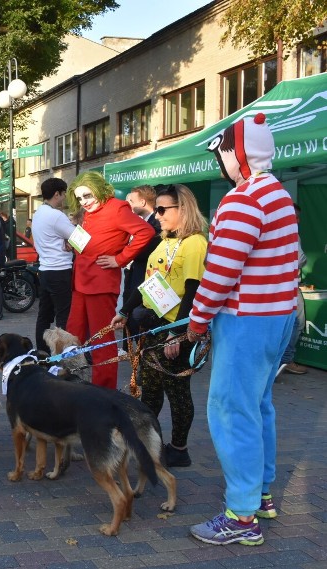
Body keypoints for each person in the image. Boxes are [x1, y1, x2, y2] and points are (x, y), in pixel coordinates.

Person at [187, 113, 298, 547]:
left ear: (238, 155)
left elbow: (219, 273)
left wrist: (197, 322)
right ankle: (261, 494)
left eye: (222, 153)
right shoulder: (279, 195)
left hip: (246, 321)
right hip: (278, 317)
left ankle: (242, 515)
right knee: (258, 405)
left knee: (233, 412)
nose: (221, 162)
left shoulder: (242, 199)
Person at [111, 184, 208, 468]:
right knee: (150, 389)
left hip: (176, 328)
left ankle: (179, 449)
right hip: (152, 326)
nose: (159, 215)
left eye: (164, 210)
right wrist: (125, 311)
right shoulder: (163, 241)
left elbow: (193, 291)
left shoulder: (195, 243)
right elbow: (148, 284)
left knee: (177, 391)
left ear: (184, 209)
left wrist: (178, 334)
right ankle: (145, 442)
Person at [65, 171, 154, 389]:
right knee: (70, 336)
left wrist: (120, 259)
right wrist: (73, 244)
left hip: (101, 284)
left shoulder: (117, 208)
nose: (84, 202)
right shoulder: (91, 212)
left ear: (98, 189)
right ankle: (68, 383)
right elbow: (91, 241)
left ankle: (104, 390)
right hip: (81, 282)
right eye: (79, 198)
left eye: (87, 195)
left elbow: (146, 231)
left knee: (101, 341)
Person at [31, 178, 75, 352]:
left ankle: (42, 352)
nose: (64, 198)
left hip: (45, 270)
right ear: (57, 193)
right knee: (63, 316)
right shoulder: (56, 215)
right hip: (60, 270)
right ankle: (63, 353)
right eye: (64, 194)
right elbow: (80, 239)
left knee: (44, 315)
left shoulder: (39, 212)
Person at [122, 185, 162, 346]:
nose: (128, 205)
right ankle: (129, 347)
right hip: (132, 277)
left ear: (143, 202)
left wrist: (124, 254)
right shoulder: (136, 223)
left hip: (146, 279)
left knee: (140, 323)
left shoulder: (157, 225)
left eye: (131, 201)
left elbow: (142, 252)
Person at [277, 203, 308, 376]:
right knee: (295, 322)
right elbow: (300, 259)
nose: (297, 220)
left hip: (277, 285)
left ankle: (281, 360)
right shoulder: (291, 233)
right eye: (295, 216)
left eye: (298, 217)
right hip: (287, 285)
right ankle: (286, 360)